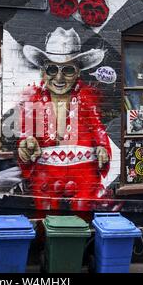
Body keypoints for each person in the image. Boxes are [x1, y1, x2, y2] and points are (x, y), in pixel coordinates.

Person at [17, 27, 111, 211]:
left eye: (67, 70)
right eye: (52, 69)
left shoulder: (87, 98)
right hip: (45, 181)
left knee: (82, 222)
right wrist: (26, 146)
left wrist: (102, 148)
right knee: (46, 222)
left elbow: (98, 128)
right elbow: (26, 135)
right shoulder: (32, 99)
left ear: (78, 72)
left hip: (83, 179)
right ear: (43, 71)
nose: (59, 77)